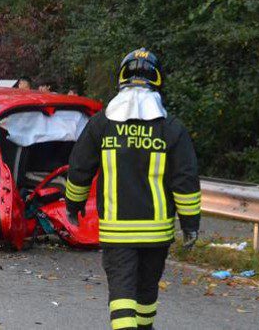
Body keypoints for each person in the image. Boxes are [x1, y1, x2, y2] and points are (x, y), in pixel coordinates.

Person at [64, 48, 200, 330]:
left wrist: (73, 206)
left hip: (118, 230)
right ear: (159, 81)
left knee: (122, 294)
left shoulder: (101, 124)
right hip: (156, 232)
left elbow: (79, 169)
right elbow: (185, 181)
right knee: (147, 293)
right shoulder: (171, 128)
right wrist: (190, 224)